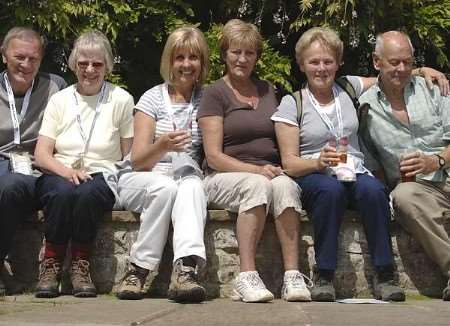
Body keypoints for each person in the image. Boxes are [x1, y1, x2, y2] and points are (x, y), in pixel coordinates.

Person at [272, 27, 413, 302]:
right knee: (330, 191)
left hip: (354, 169)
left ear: (337, 63)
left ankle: (385, 274)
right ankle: (324, 274)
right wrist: (316, 161)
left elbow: (389, 74)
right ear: (302, 65)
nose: (321, 68)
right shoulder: (293, 103)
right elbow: (289, 163)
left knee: (374, 192)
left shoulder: (348, 87)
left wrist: (422, 72)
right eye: (314, 62)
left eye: (328, 61)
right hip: (314, 173)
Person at [198, 19, 309, 303]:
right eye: (236, 52)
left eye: (249, 53)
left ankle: (293, 276)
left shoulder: (268, 90)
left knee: (286, 188)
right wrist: (257, 170)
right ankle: (245, 277)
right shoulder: (214, 93)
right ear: (224, 54)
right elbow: (213, 156)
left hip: (269, 172)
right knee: (257, 185)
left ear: (257, 57)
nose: (242, 59)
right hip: (222, 175)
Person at [33, 30, 134, 298]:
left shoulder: (121, 99)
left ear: (107, 67)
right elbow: (42, 154)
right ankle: (51, 264)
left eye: (97, 64)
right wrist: (67, 171)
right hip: (60, 170)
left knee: (88, 193)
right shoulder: (59, 100)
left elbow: (128, 155)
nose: (89, 70)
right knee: (62, 192)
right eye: (83, 63)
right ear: (74, 64)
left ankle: (80, 264)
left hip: (102, 174)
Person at [116, 26, 209, 302]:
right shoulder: (153, 97)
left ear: (201, 62)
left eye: (193, 58)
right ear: (169, 61)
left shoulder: (207, 98)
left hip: (186, 174)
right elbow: (138, 160)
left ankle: (186, 270)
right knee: (165, 187)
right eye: (179, 57)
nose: (186, 65)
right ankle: (139, 269)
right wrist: (163, 145)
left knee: (192, 188)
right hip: (146, 175)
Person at [359, 31, 450, 301]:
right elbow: (373, 165)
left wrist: (437, 160)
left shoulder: (434, 87)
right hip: (418, 189)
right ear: (377, 62)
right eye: (394, 62)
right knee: (402, 197)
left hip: (446, 166)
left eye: (408, 63)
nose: (402, 69)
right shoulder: (365, 108)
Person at [0, 27, 66, 296]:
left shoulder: (55, 87)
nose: (26, 65)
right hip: (2, 161)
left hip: (41, 164)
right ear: (4, 55)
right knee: (9, 184)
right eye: (19, 57)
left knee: (14, 185)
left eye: (33, 59)